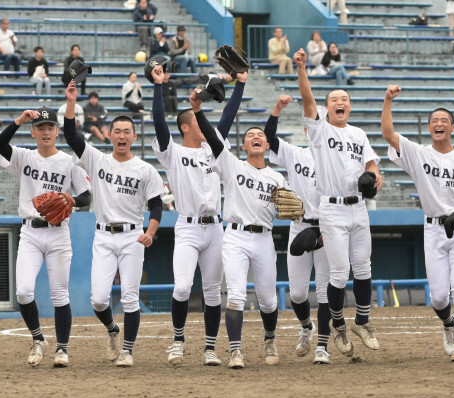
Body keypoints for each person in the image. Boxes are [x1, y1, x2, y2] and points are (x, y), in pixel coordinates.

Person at [64, 80, 166, 367]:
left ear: (133, 136)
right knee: (98, 300)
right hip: (103, 237)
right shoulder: (98, 160)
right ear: (109, 135)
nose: (121, 136)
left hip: (133, 236)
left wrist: (151, 231)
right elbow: (71, 135)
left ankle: (128, 351)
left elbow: (157, 204)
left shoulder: (145, 169)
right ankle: (112, 330)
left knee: (131, 299)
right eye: (117, 131)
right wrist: (72, 102)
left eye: (127, 132)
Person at [191, 76, 288, 369]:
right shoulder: (232, 165)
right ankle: (236, 351)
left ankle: (269, 339)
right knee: (234, 295)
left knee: (268, 300)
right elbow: (210, 135)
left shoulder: (277, 178)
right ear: (244, 145)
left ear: (267, 144)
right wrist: (197, 111)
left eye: (260, 134)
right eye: (250, 135)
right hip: (234, 237)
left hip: (264, 239)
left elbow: (288, 210)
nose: (256, 136)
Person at [382, 84, 454, 362]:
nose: (439, 124)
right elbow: (388, 134)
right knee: (439, 298)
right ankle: (449, 324)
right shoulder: (418, 154)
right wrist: (388, 100)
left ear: (453, 127)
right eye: (435, 121)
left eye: (444, 121)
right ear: (429, 128)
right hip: (434, 227)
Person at [294, 48, 383, 359]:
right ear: (326, 107)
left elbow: (371, 164)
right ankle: (338, 325)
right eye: (334, 100)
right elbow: (307, 100)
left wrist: (375, 175)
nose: (340, 103)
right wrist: (302, 69)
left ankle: (362, 321)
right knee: (340, 272)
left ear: (350, 105)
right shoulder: (320, 130)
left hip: (358, 207)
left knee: (364, 266)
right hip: (330, 207)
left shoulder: (358, 134)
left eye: (344, 99)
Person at [150, 64, 241, 367]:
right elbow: (160, 124)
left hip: (215, 228)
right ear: (186, 127)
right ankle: (178, 341)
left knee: (214, 292)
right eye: (200, 125)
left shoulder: (212, 150)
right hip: (188, 228)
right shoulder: (173, 152)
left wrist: (239, 84)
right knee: (182, 287)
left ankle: (210, 348)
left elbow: (227, 119)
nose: (208, 130)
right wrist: (158, 87)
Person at [0, 107, 92, 368]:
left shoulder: (70, 161)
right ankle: (38, 339)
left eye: (50, 127)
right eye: (40, 127)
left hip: (58, 233)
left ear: (58, 131)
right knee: (24, 291)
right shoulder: (24, 156)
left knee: (60, 294)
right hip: (30, 232)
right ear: (33, 132)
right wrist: (19, 119)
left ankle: (62, 349)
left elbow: (86, 196)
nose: (46, 132)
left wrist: (71, 199)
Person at [265, 95, 333, 364]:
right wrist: (277, 110)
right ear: (307, 128)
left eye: (322, 120)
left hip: (328, 229)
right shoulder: (296, 154)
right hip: (300, 226)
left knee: (327, 291)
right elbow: (269, 138)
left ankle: (323, 346)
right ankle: (307, 327)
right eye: (314, 121)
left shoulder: (335, 158)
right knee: (297, 293)